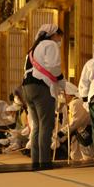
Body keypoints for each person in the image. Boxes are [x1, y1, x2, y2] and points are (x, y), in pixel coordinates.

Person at [21, 24, 65, 169]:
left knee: (36, 126)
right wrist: (62, 81)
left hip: (27, 88)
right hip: (41, 87)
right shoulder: (50, 44)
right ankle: (45, 161)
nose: (59, 39)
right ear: (54, 34)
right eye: (59, 36)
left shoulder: (32, 50)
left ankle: (36, 160)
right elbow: (54, 67)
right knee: (46, 124)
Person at [54, 82, 93, 161]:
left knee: (86, 156)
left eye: (62, 95)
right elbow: (68, 122)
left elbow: (75, 123)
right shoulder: (71, 104)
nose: (61, 97)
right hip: (78, 132)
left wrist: (61, 133)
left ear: (68, 94)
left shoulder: (76, 103)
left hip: (84, 132)